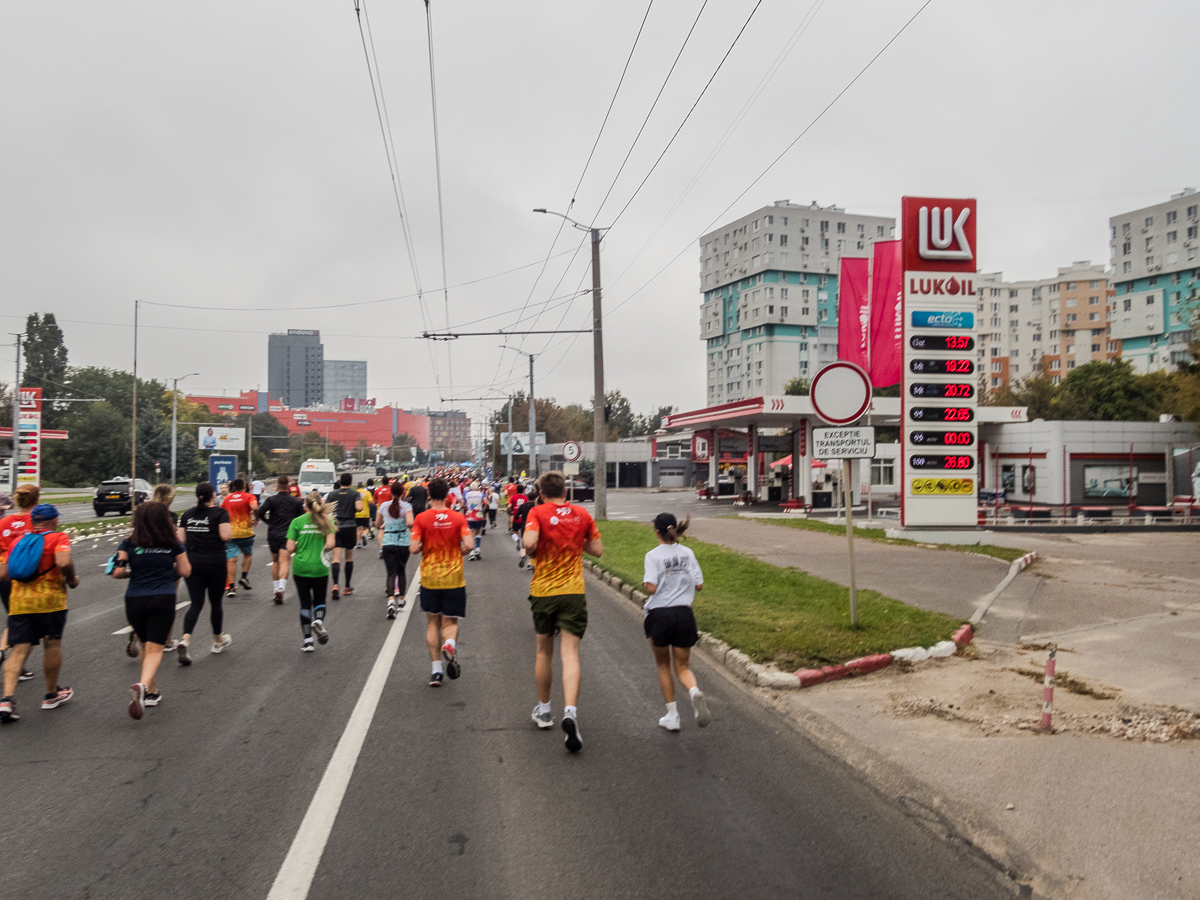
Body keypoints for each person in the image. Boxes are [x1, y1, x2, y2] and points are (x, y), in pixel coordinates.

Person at [522, 471, 602, 753]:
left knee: (544, 650)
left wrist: (531, 550)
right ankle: (570, 711)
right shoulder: (581, 514)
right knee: (571, 652)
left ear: (542, 493)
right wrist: (574, 540)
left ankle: (545, 711)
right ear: (565, 492)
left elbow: (530, 543)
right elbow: (598, 550)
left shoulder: (537, 512)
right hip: (573, 591)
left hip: (544, 591)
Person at [112, 501, 190, 719]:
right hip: (162, 598)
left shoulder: (128, 542)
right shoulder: (172, 543)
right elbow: (186, 570)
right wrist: (166, 567)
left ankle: (152, 693)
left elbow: (117, 572)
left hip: (134, 599)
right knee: (155, 649)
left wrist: (133, 573)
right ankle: (143, 686)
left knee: (146, 645)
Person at [0, 504, 77, 723]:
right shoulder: (58, 538)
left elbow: (4, 574)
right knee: (52, 645)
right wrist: (71, 579)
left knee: (18, 651)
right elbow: (63, 561)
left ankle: (7, 699)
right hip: (50, 603)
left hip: (20, 604)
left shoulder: (16, 542)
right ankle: (51, 695)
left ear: (33, 522)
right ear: (54, 521)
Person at [642, 513, 710, 732]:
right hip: (684, 614)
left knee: (663, 665)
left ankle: (673, 716)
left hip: (660, 614)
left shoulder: (653, 556)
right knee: (683, 667)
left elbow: (651, 587)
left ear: (656, 531)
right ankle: (693, 691)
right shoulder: (688, 553)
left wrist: (651, 583)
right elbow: (699, 585)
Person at [409, 479, 472, 687]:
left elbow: (413, 548)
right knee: (450, 622)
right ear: (448, 495)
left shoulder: (422, 518)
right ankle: (450, 644)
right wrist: (458, 552)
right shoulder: (458, 517)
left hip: (430, 578)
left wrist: (422, 548)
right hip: (453, 578)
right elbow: (470, 545)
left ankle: (436, 672)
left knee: (432, 623)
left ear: (429, 495)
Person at [177, 482, 233, 663]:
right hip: (215, 562)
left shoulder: (187, 515)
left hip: (193, 563)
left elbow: (180, 540)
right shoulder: (220, 513)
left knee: (196, 603)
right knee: (215, 602)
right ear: (213, 495)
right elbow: (225, 536)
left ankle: (185, 640)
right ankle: (217, 641)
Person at [285, 492, 336, 652]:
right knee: (320, 599)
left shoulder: (296, 522)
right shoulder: (327, 521)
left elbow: (290, 548)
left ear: (304, 505)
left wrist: (301, 544)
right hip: (319, 567)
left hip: (301, 567)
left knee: (305, 603)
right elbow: (330, 544)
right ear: (320, 503)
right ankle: (319, 622)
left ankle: (308, 641)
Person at [0, 483, 40, 683]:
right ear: (37, 500)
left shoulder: (4, 522)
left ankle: (16, 663)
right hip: (28, 578)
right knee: (30, 624)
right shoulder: (37, 523)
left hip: (4, 575)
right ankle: (17, 662)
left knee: (15, 618)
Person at [256, 476, 304, 604]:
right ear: (288, 486)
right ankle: (282, 588)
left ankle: (275, 589)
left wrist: (267, 521)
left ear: (277, 485)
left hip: (273, 533)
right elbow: (301, 518)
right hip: (288, 535)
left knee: (275, 561)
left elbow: (260, 512)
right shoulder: (296, 501)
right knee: (285, 562)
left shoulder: (271, 500)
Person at [376, 487, 414, 618]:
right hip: (403, 541)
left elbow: (377, 524)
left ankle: (391, 601)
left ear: (391, 493)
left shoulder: (383, 506)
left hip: (388, 541)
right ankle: (402, 599)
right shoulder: (407, 506)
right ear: (403, 493)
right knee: (401, 570)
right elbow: (410, 522)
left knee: (391, 573)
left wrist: (386, 523)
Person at [325, 473, 362, 599]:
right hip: (350, 525)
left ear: (340, 481)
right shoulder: (354, 493)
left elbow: (325, 510)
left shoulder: (332, 494)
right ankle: (347, 586)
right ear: (351, 482)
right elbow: (359, 507)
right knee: (348, 557)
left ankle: (335, 584)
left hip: (335, 526)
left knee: (336, 558)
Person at [222, 478, 258, 597]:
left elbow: (221, 512)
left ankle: (231, 587)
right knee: (248, 554)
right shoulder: (249, 497)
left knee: (231, 560)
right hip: (245, 532)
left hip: (231, 534)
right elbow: (255, 508)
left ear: (233, 488)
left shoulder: (227, 499)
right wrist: (256, 518)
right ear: (244, 486)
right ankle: (244, 576)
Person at [509, 485, 535, 569]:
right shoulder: (535, 506)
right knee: (531, 544)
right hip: (532, 526)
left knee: (523, 543)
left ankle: (523, 554)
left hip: (522, 524)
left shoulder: (519, 503)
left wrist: (516, 514)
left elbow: (513, 511)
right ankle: (529, 563)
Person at [463, 481, 485, 561]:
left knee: (471, 533)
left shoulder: (466, 494)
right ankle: (478, 550)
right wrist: (482, 509)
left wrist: (467, 507)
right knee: (478, 532)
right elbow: (486, 502)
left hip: (469, 516)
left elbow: (462, 505)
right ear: (477, 488)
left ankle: (471, 552)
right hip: (478, 515)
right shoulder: (481, 494)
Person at [355, 481, 373, 548]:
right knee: (366, 528)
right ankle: (364, 535)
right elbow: (370, 502)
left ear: (357, 486)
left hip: (356, 513)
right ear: (363, 486)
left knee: (358, 529)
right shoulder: (367, 493)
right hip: (365, 513)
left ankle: (358, 543)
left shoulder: (355, 493)